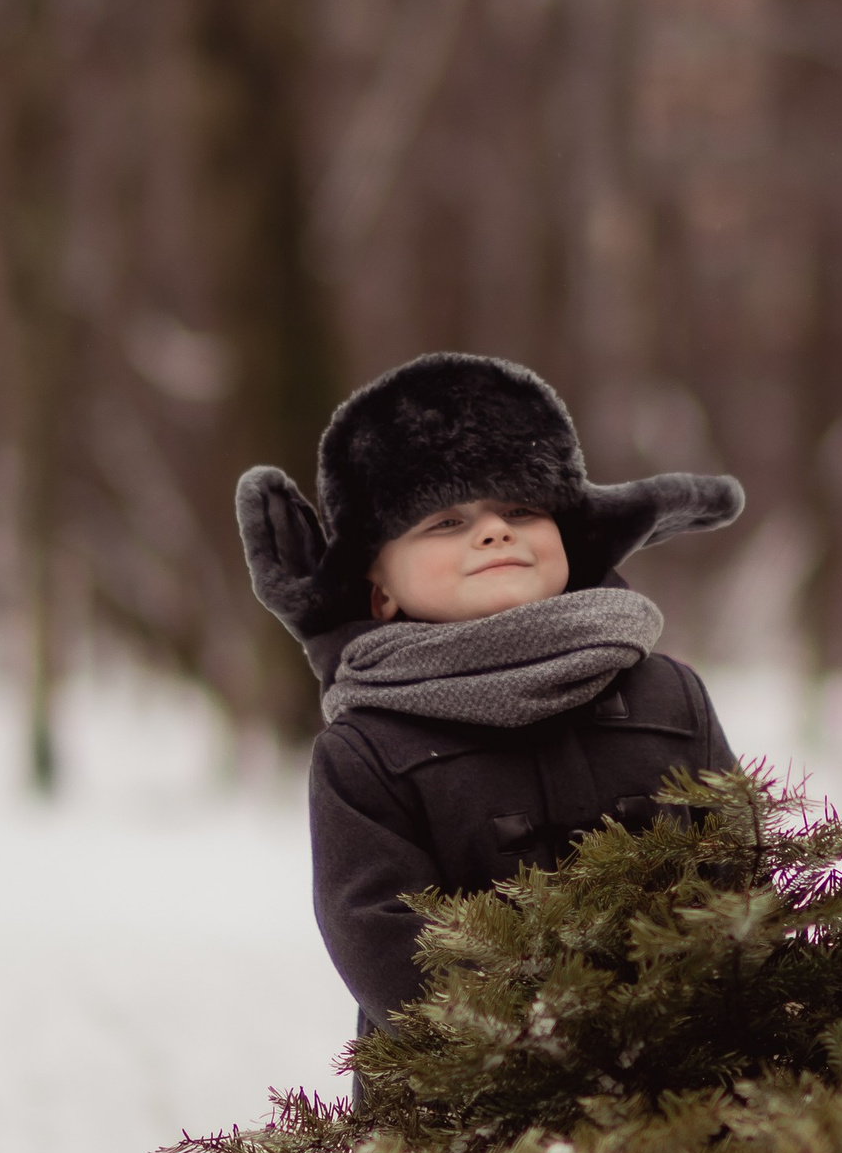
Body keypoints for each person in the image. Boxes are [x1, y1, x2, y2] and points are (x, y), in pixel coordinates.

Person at [236, 352, 742, 1034]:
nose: (495, 530)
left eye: (521, 507)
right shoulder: (365, 752)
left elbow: (738, 868)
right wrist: (532, 1038)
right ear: (379, 590)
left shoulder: (669, 695)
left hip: (680, 1083)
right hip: (469, 1112)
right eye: (445, 522)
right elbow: (380, 934)